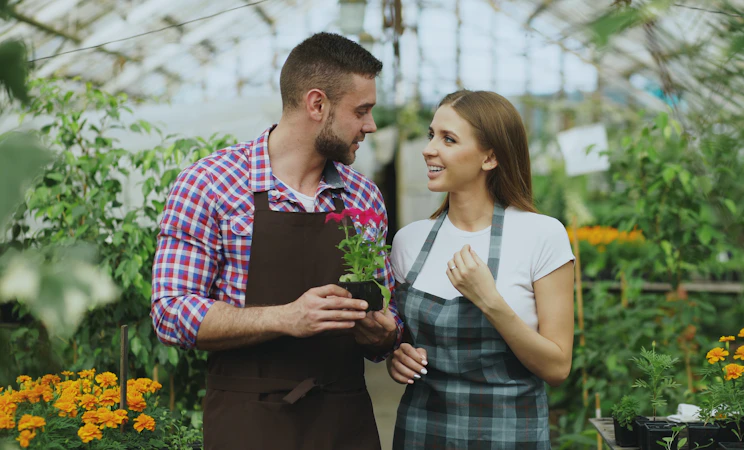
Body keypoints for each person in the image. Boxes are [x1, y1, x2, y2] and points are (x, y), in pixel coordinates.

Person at [150, 32, 402, 450]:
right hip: (249, 423)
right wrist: (285, 318)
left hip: (345, 422)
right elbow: (171, 311)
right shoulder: (210, 184)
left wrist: (385, 334)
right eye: (361, 111)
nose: (370, 126)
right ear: (317, 105)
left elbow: (386, 315)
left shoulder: (363, 197)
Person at [388, 90, 575, 449]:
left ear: (489, 157)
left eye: (448, 139)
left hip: (510, 433)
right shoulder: (409, 242)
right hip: (423, 431)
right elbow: (404, 343)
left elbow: (557, 368)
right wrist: (398, 358)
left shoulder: (542, 235)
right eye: (431, 135)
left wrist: (489, 300)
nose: (429, 149)